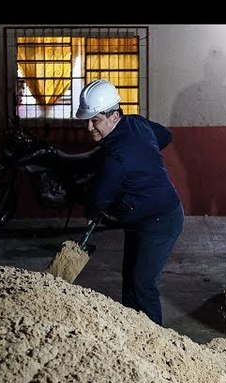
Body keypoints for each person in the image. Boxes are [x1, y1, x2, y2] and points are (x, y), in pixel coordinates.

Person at [76, 79, 184, 326]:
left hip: (161, 220)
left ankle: (156, 344)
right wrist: (145, 155)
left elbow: (99, 197)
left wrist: (92, 211)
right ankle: (131, 334)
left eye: (95, 120)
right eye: (86, 120)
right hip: (139, 217)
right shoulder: (136, 123)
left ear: (114, 116)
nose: (88, 127)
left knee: (142, 284)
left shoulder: (116, 154)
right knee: (130, 280)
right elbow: (165, 136)